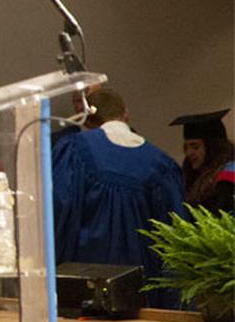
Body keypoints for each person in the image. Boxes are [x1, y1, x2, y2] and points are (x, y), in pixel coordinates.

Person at [53, 88, 185, 307]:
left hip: (86, 283)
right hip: (141, 289)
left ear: (87, 120)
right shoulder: (161, 164)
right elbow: (175, 236)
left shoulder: (75, 150)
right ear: (126, 114)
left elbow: (59, 210)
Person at [169, 109, 233, 214]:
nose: (189, 153)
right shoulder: (191, 176)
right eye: (186, 148)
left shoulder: (229, 176)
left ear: (213, 147)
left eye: (195, 147)